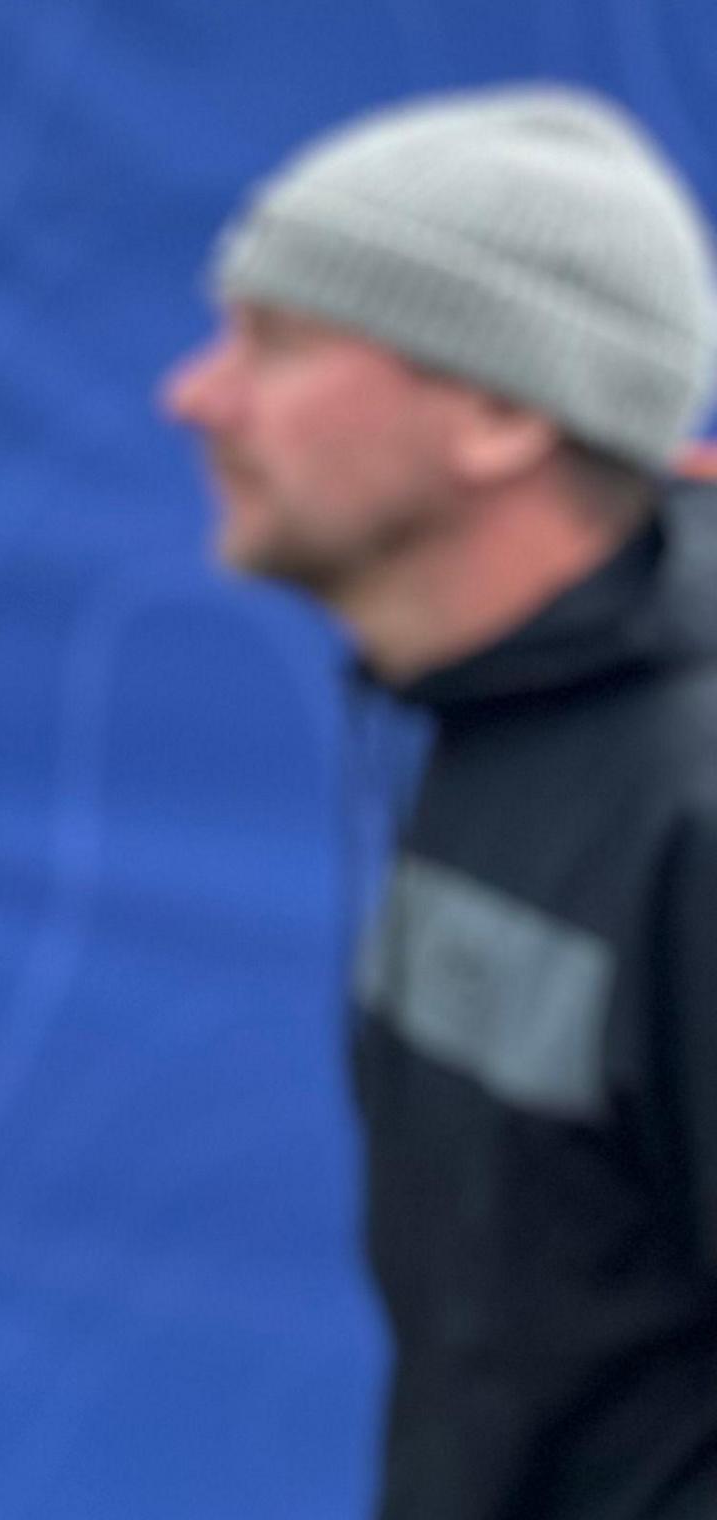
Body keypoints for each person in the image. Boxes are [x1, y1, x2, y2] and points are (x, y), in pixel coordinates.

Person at [168, 86, 717, 1520]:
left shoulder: (692, 803)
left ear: (498, 411)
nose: (197, 394)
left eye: (275, 343)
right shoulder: (488, 716)